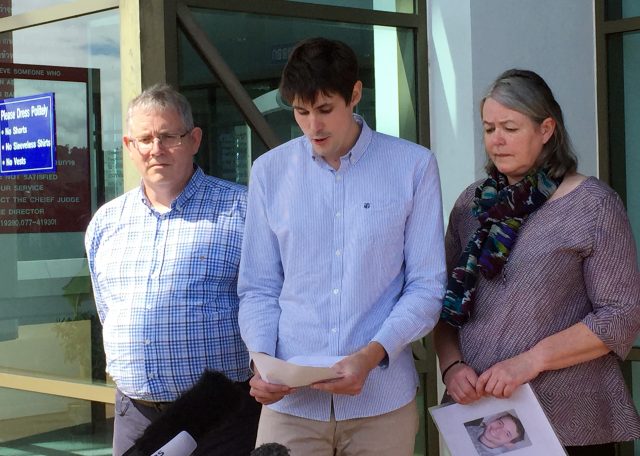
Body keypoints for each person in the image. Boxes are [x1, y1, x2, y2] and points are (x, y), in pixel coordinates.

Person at [237, 37, 447, 455]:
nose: (313, 126)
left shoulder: (413, 166)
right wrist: (260, 361)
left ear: (354, 94)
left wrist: (370, 357)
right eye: (301, 112)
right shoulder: (269, 173)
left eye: (325, 110)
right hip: (291, 405)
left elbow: (426, 286)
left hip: (381, 404)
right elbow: (258, 287)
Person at [433, 68, 640, 456]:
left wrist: (530, 361)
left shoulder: (593, 205)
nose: (496, 140)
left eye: (510, 127)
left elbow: (620, 315)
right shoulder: (471, 205)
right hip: (481, 420)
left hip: (572, 420)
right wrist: (451, 366)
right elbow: (443, 305)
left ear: (546, 129)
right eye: (489, 128)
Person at [85, 83, 260, 456]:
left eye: (168, 136)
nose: (156, 149)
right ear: (129, 147)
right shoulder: (106, 223)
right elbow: (107, 310)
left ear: (194, 139)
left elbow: (268, 302)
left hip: (220, 415)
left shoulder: (241, 211)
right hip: (136, 415)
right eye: (144, 139)